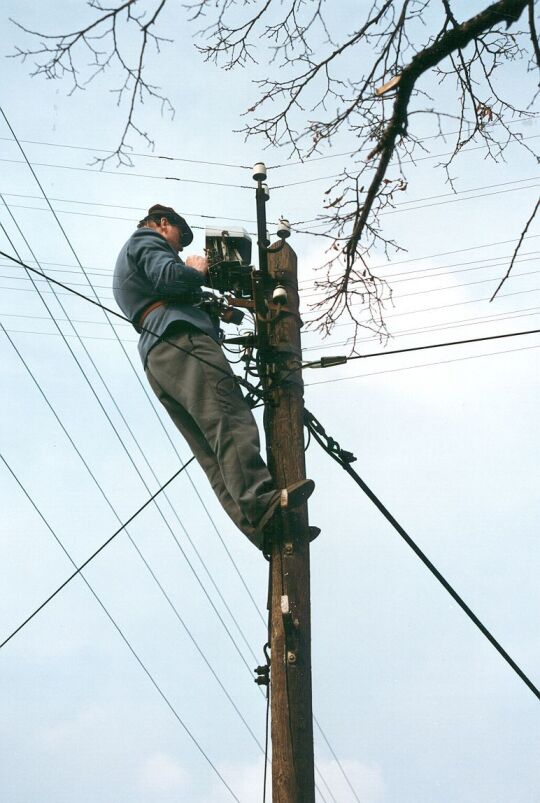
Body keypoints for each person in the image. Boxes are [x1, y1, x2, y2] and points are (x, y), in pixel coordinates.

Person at [113, 204, 314, 549]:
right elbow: (171, 277)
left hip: (158, 355)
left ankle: (263, 531)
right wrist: (194, 270)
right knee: (230, 420)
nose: (179, 248)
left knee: (211, 453)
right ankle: (261, 499)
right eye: (179, 240)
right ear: (163, 224)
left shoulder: (132, 266)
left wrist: (210, 303)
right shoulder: (146, 239)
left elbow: (167, 287)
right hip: (182, 339)